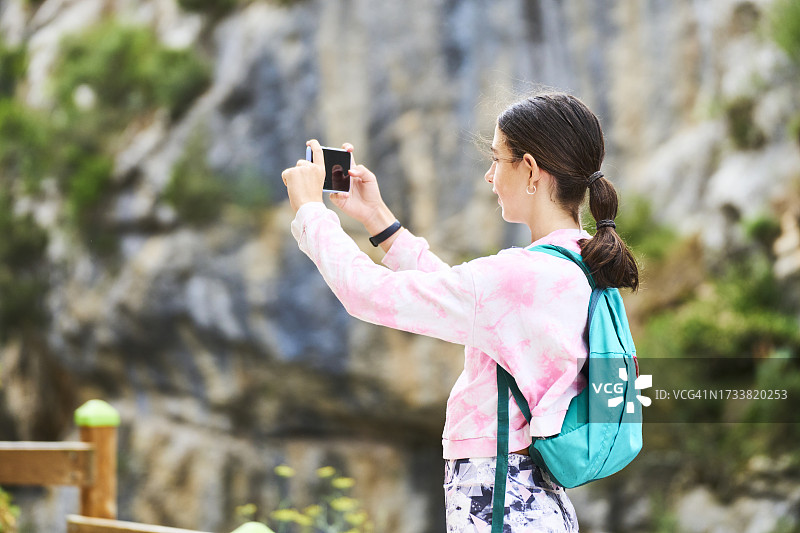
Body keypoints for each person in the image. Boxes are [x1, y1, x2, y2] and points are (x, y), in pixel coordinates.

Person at [281, 91, 639, 532]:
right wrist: (379, 221)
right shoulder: (580, 263)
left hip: (500, 505)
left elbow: (368, 294)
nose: (490, 176)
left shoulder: (521, 276)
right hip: (536, 504)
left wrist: (311, 212)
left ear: (529, 170)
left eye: (496, 159)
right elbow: (469, 302)